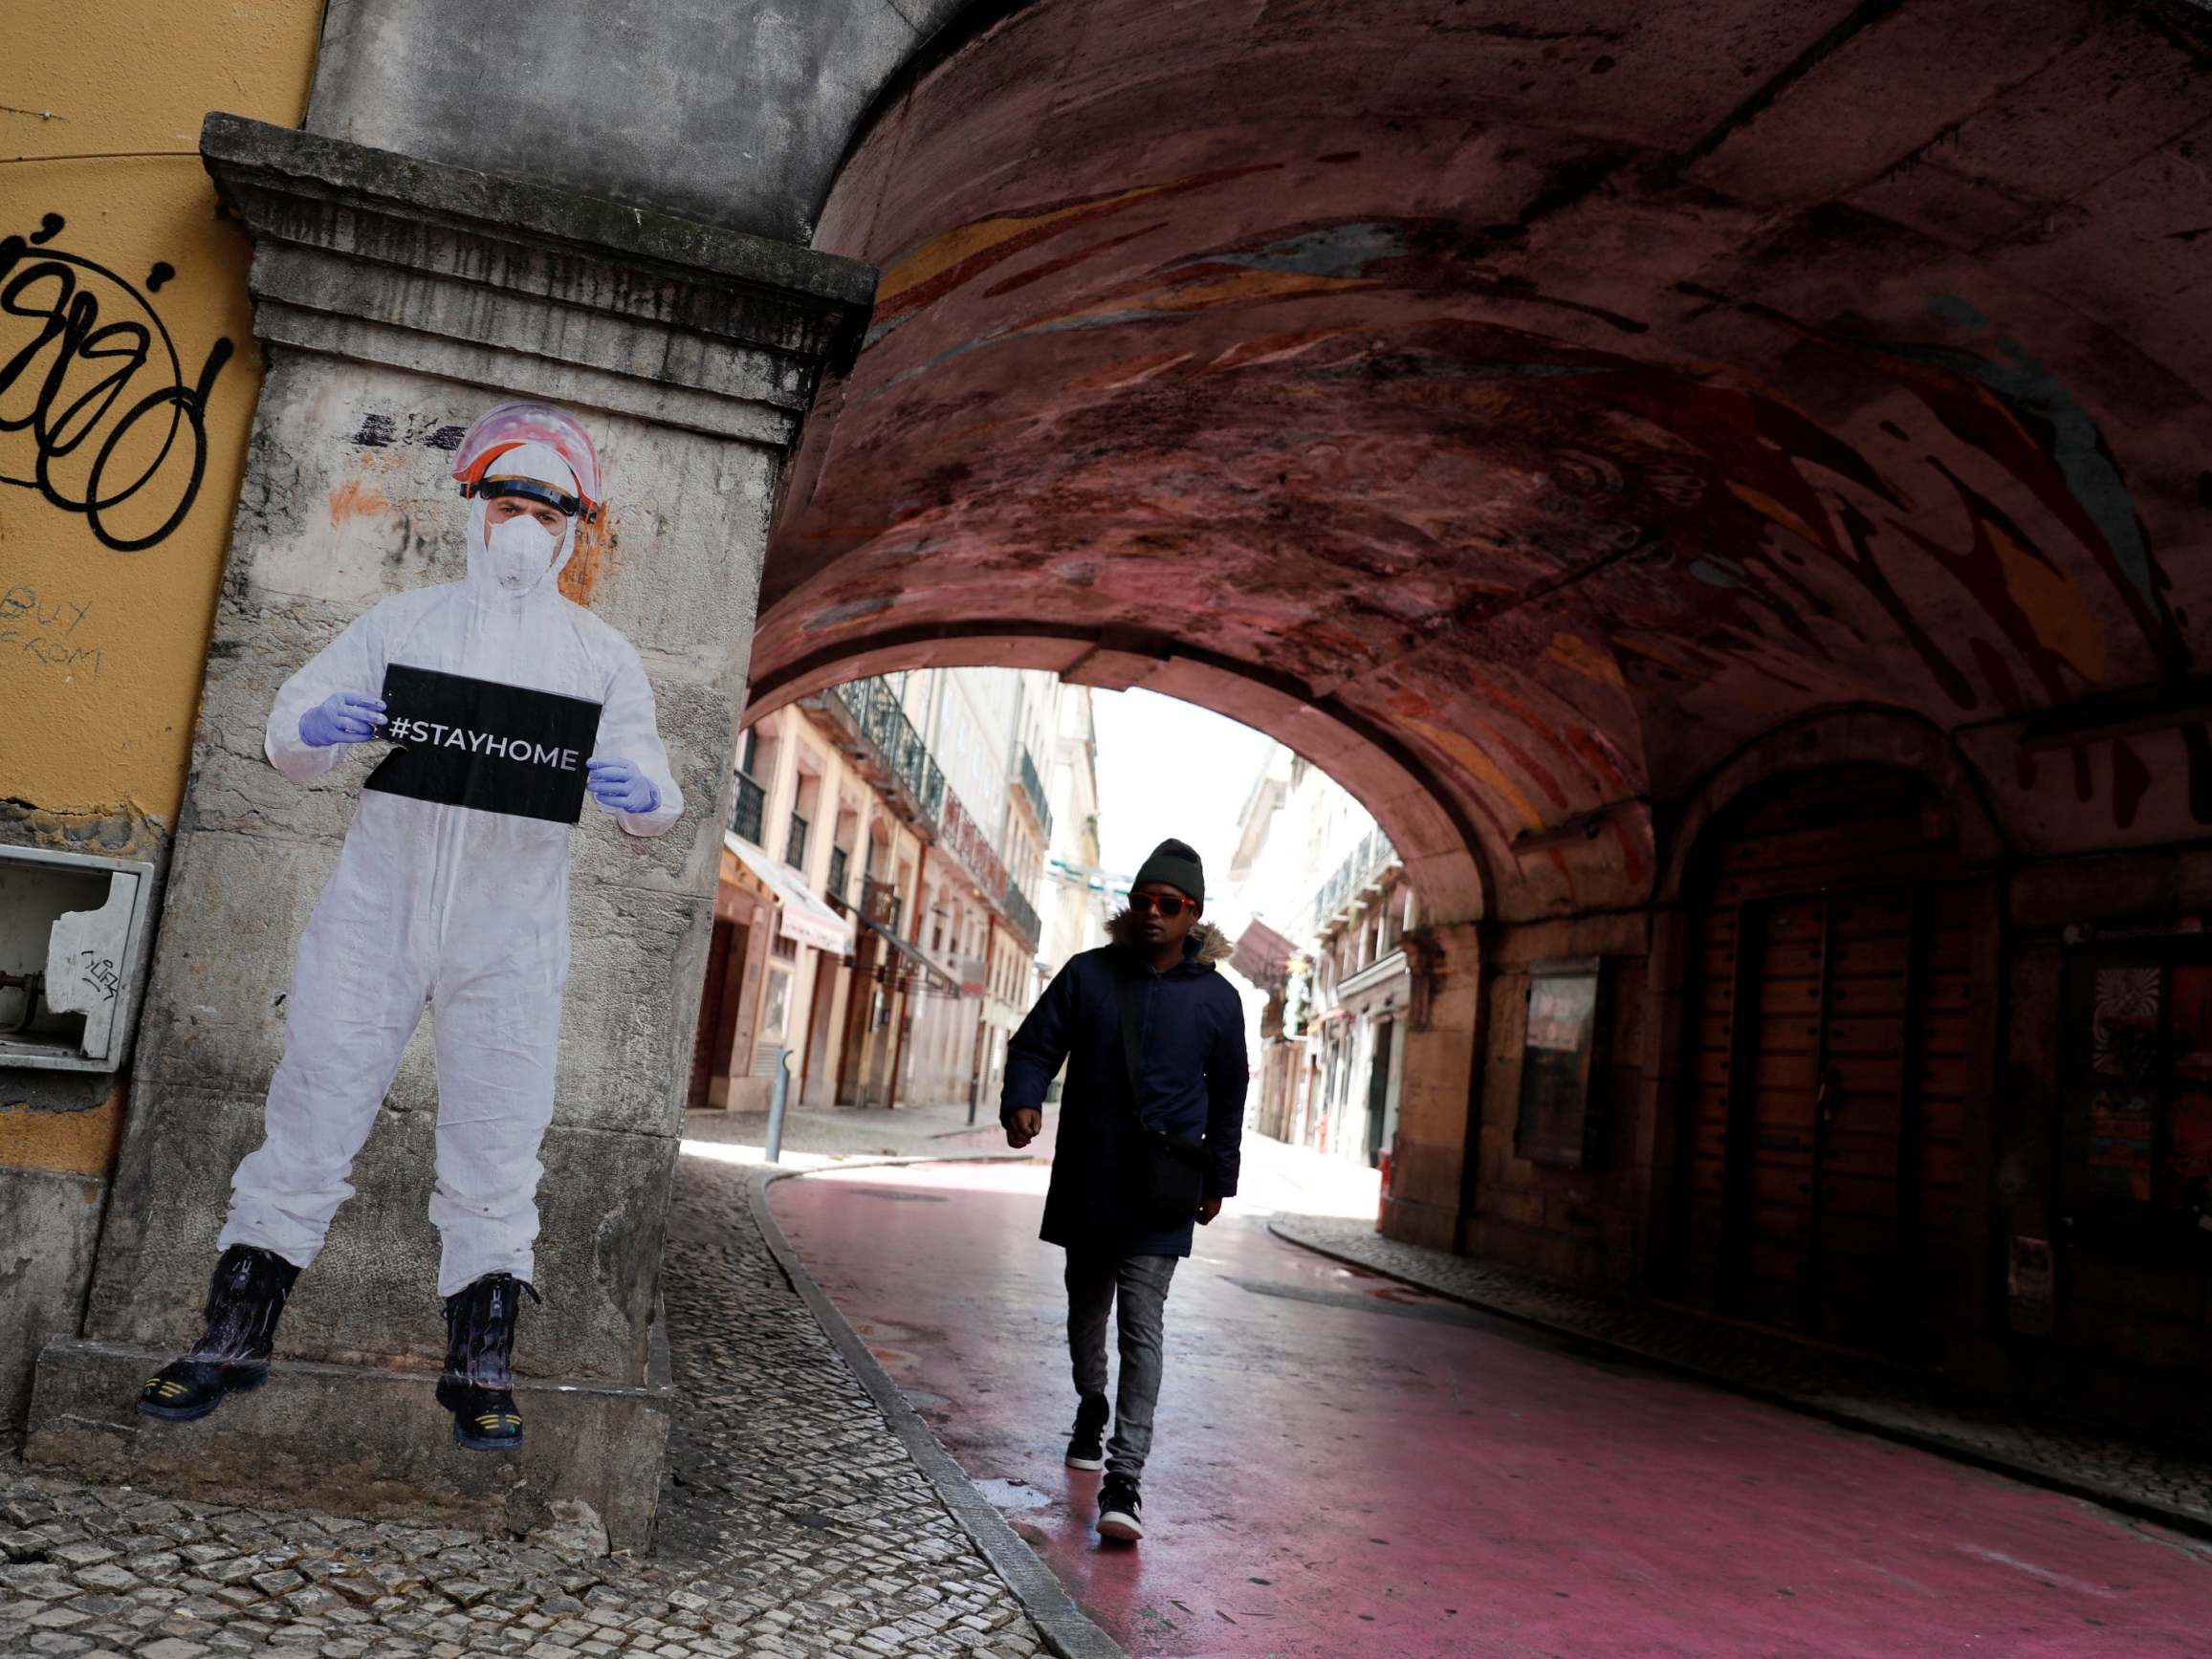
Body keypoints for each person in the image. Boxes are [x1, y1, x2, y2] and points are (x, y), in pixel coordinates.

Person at [136, 401, 684, 1451]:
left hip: (511, 930)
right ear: (475, 509)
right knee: (310, 1111)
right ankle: (229, 1341)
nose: (526, 525)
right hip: (375, 912)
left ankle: (480, 1364)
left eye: (548, 508)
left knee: (497, 1136)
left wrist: (638, 792)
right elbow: (293, 725)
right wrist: (315, 725)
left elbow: (655, 790)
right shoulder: (404, 623)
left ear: (574, 526)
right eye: (509, 502)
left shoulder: (600, 656)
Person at [1001, 837, 1246, 1542]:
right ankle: (1090, 1402)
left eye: (1167, 905)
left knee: (1143, 1325)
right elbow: (1035, 1045)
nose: (1151, 915)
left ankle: (1125, 1477)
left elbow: (1229, 1093)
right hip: (1091, 1175)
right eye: (1141, 902)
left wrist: (1218, 1177)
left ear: (1192, 914)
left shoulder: (1218, 1001)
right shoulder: (1088, 975)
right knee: (1086, 1313)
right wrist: (1024, 1097)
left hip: (1164, 1189)